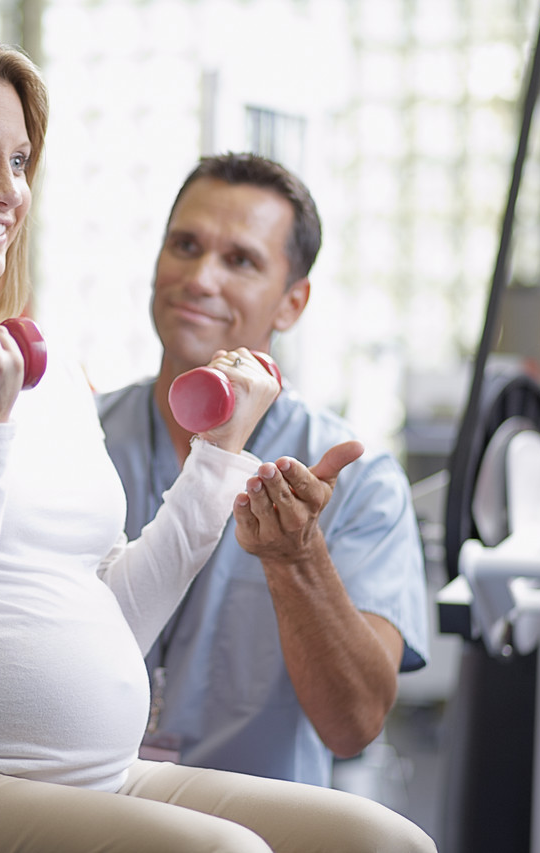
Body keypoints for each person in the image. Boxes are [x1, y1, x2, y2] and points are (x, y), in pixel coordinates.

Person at [0, 29, 436, 853]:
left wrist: (218, 458)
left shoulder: (38, 363)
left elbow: (108, 614)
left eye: (20, 161)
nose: (9, 190)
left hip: (81, 776)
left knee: (383, 842)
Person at [97, 153, 431, 790]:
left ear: (291, 303)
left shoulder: (357, 479)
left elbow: (354, 724)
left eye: (241, 260)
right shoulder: (81, 436)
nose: (200, 278)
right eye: (185, 245)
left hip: (252, 823)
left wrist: (296, 559)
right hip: (82, 811)